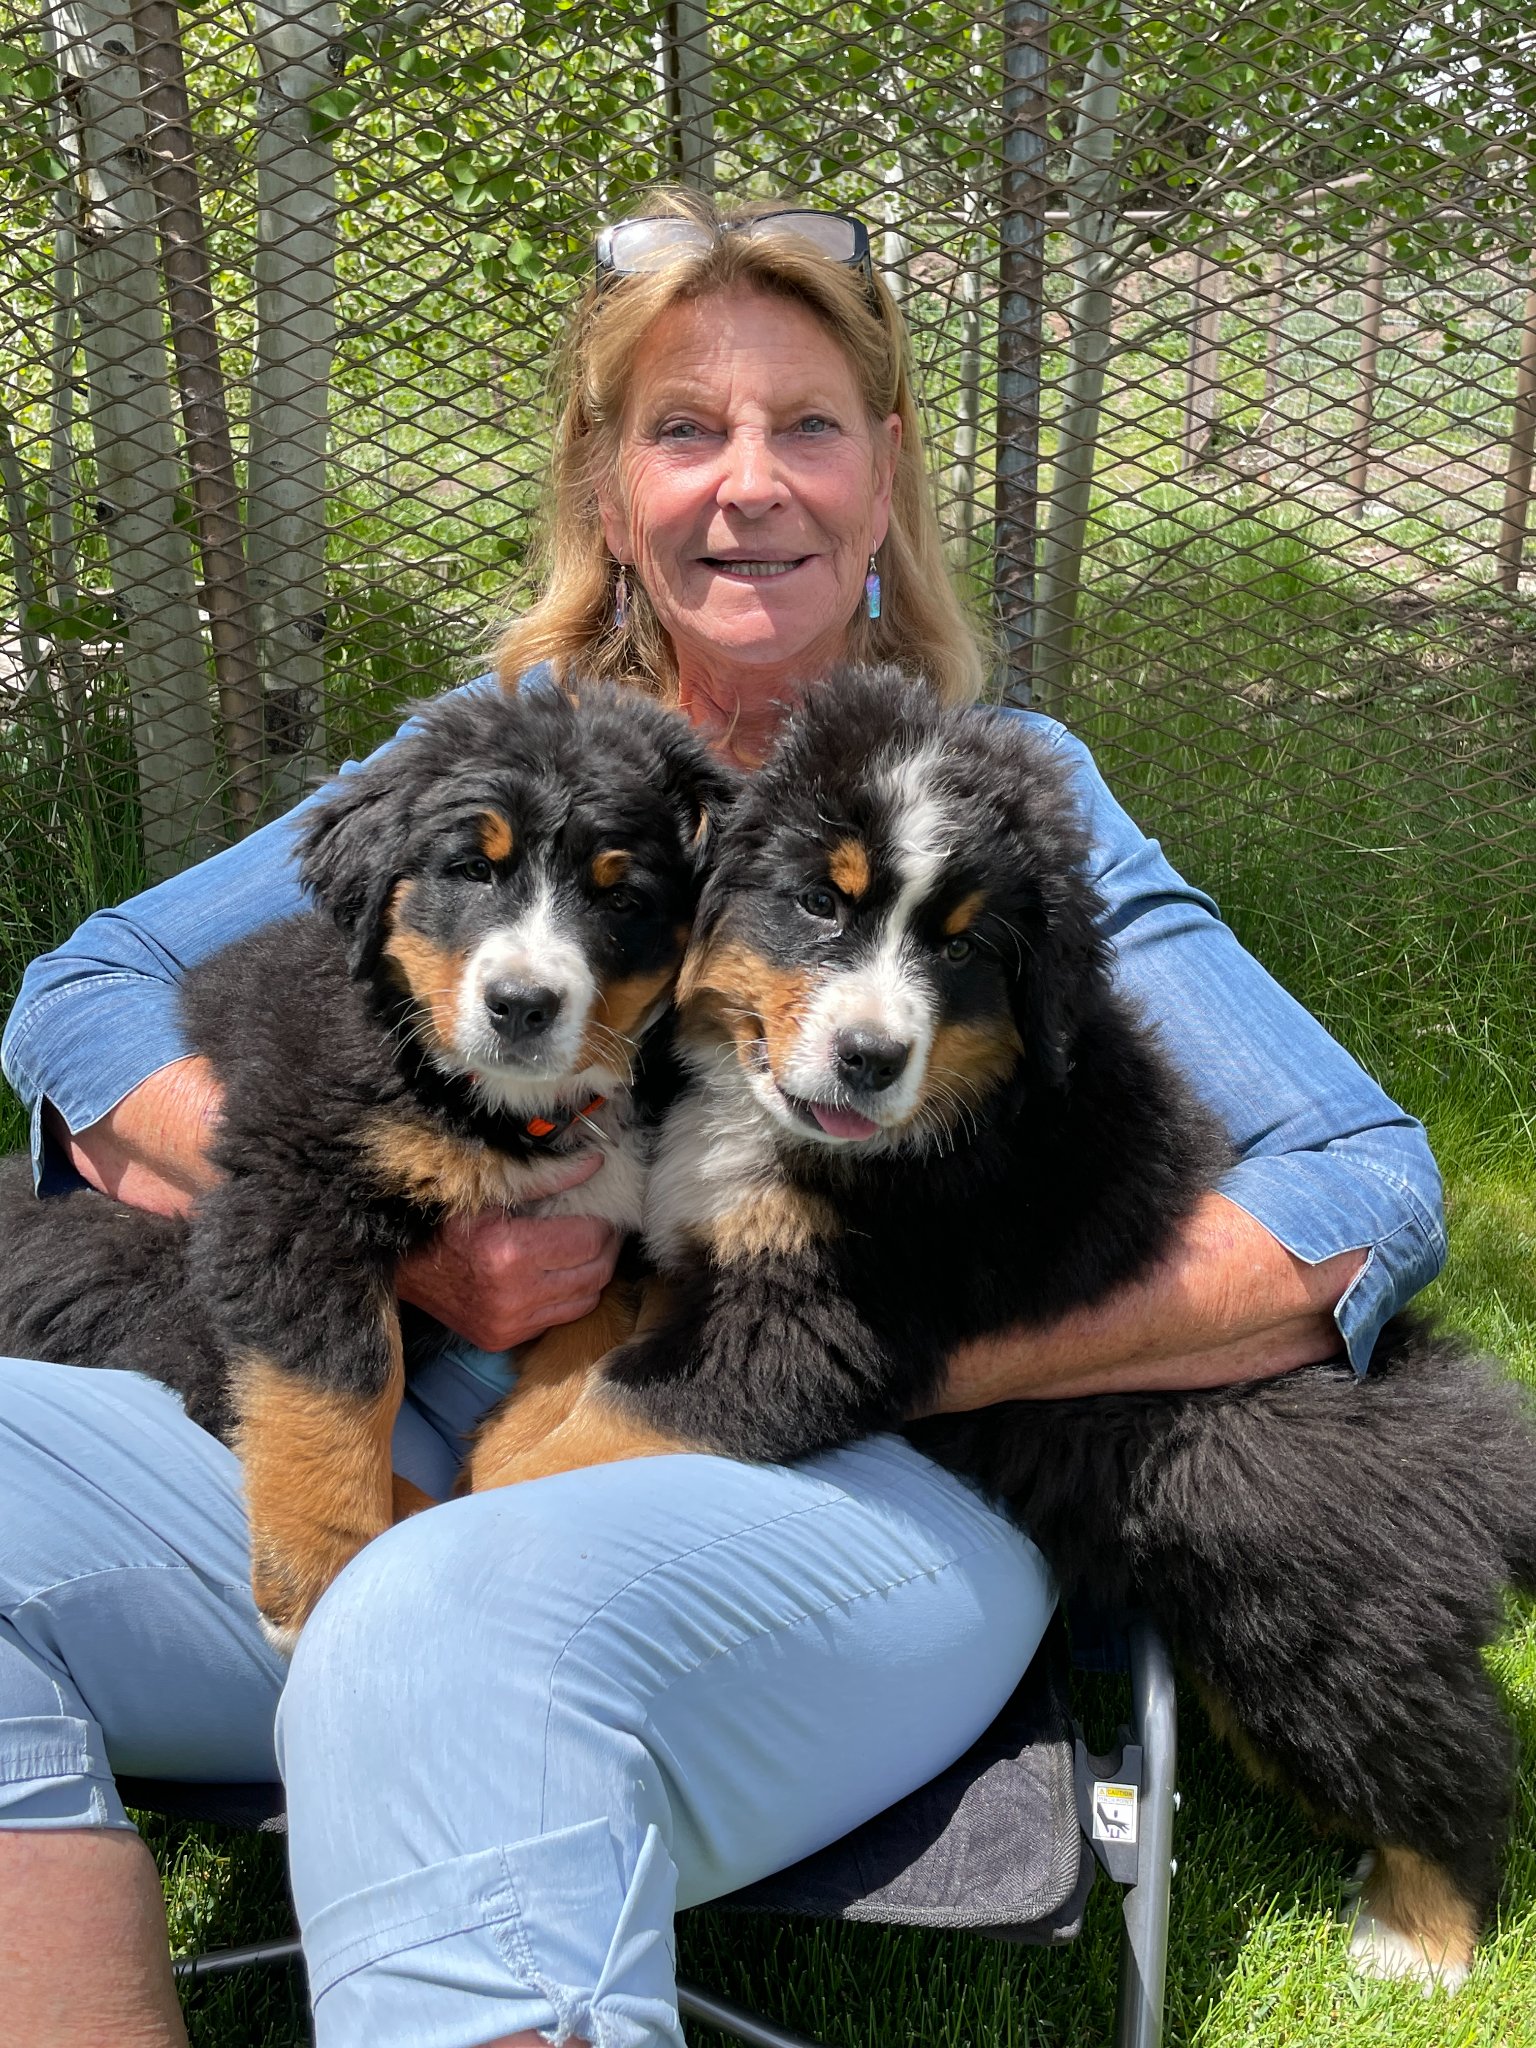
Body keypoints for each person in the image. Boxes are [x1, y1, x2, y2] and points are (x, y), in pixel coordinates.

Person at [0, 190, 1443, 2048]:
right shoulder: (504, 739)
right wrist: (415, 1247)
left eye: (807, 425)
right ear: (610, 486)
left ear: (886, 478)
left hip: (826, 1496)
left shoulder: (1002, 801)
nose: (746, 483)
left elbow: (1368, 1181)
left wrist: (891, 1355)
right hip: (399, 1444)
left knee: (439, 1625)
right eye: (686, 429)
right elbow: (84, 996)